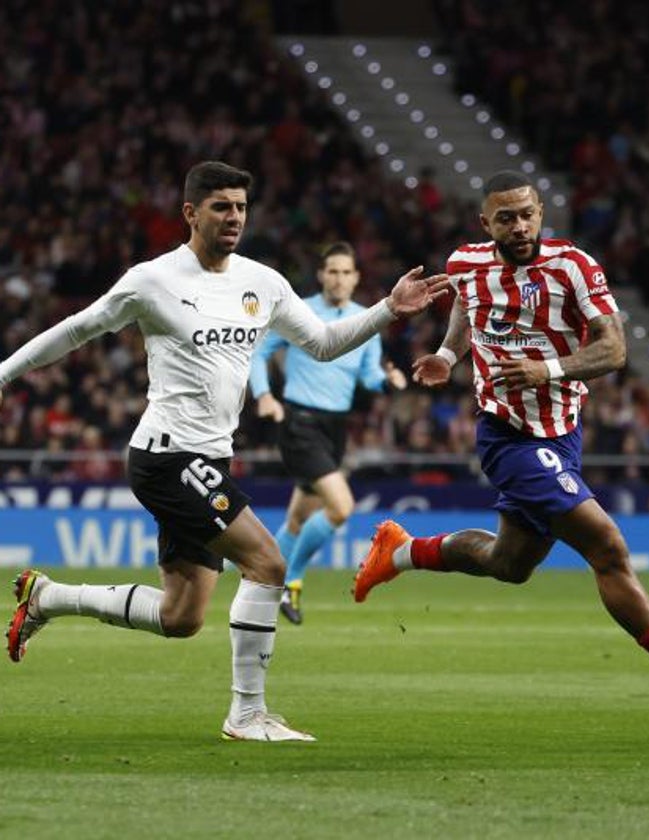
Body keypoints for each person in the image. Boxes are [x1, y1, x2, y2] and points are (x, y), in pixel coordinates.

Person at [2, 161, 450, 741]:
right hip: (167, 456)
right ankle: (247, 714)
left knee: (181, 615)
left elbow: (324, 343)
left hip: (207, 460)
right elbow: (74, 329)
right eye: (221, 207)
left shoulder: (261, 282)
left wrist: (388, 309)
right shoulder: (152, 280)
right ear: (191, 213)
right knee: (267, 563)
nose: (234, 217)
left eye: (240, 206)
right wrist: (6, 374)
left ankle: (49, 596)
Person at [352, 171, 649, 709]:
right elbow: (467, 305)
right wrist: (449, 355)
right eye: (505, 218)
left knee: (508, 564)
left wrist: (549, 370)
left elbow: (614, 351)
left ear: (540, 211)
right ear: (485, 222)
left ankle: (400, 552)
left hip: (562, 433)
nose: (518, 226)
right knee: (606, 547)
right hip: (507, 436)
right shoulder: (466, 263)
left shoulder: (574, 266)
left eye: (527, 214)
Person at [250, 241, 407, 625]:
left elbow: (368, 376)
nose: (338, 278)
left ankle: (257, 574)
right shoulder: (299, 311)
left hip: (335, 428)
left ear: (356, 278)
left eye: (345, 272)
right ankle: (292, 580)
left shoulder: (366, 322)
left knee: (298, 521)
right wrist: (265, 395)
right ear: (322, 275)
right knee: (341, 507)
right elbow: (258, 352)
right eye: (331, 271)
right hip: (299, 422)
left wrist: (387, 381)